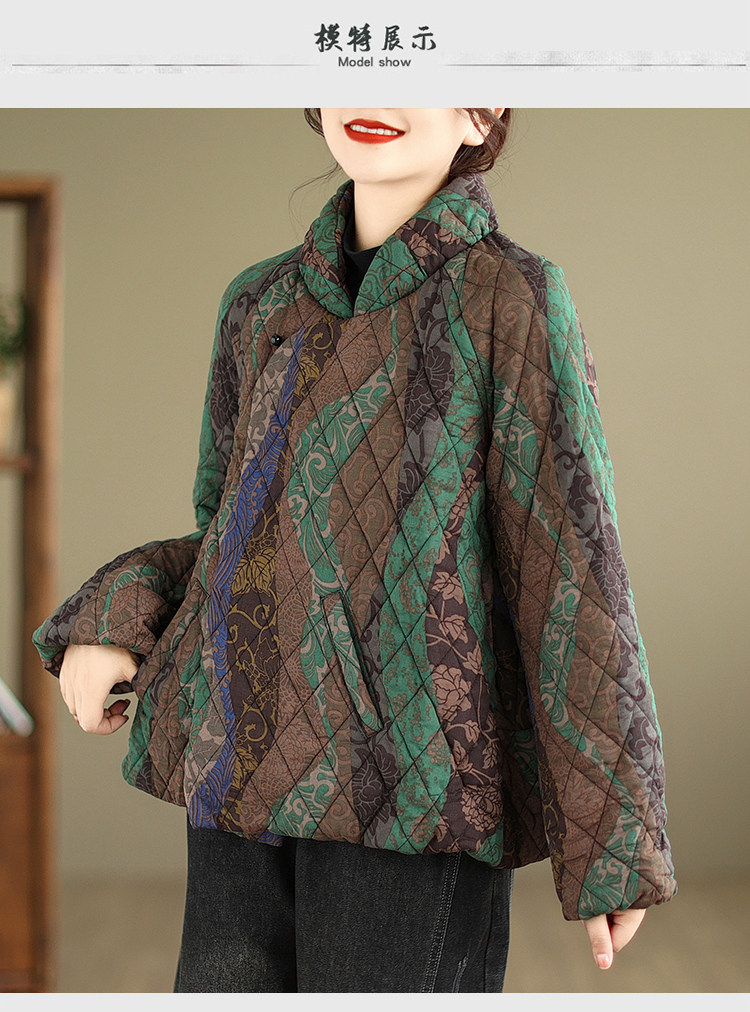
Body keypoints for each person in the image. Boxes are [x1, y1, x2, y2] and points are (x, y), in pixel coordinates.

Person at [33, 108, 677, 993]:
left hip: (412, 794)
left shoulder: (511, 297)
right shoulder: (258, 302)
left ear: (481, 110)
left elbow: (571, 571)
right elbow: (229, 540)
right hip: (239, 774)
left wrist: (614, 841)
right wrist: (114, 614)